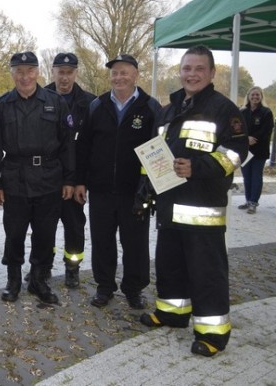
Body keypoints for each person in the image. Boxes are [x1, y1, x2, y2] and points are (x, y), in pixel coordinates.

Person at [140, 45, 248, 357]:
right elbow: (155, 150)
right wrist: (146, 183)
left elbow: (236, 153)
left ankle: (213, 334)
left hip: (203, 212)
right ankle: (173, 313)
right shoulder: (170, 108)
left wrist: (197, 168)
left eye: (199, 68)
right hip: (169, 207)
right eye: (187, 68)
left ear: (212, 73)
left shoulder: (224, 110)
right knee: (169, 265)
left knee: (207, 274)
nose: (192, 74)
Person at [74, 54, 161, 310]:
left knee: (135, 243)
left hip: (136, 192)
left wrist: (151, 188)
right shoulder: (97, 106)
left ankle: (134, 289)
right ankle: (104, 287)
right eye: (115, 73)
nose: (119, 77)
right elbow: (83, 147)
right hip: (101, 189)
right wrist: (80, 181)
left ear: (136, 74)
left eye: (124, 72)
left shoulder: (151, 107)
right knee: (102, 241)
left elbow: (160, 149)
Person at [0, 51, 75, 304]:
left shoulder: (55, 102)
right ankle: (13, 279)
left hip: (49, 178)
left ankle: (39, 280)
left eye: (30, 71)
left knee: (45, 234)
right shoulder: (2, 105)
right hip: (15, 178)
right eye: (19, 71)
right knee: (14, 233)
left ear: (38, 72)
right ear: (12, 74)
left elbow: (68, 144)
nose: (25, 76)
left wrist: (69, 180)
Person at [43, 52, 96, 288]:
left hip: (75, 178)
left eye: (69, 72)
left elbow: (90, 148)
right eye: (60, 72)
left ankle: (72, 267)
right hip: (46, 177)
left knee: (74, 225)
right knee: (44, 225)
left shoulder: (90, 103)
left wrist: (81, 181)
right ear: (52, 72)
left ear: (76, 73)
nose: (64, 78)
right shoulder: (39, 97)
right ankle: (42, 266)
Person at [238, 86, 273, 214]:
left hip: (259, 150)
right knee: (246, 176)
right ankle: (248, 201)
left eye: (257, 95)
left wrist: (254, 138)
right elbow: (237, 129)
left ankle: (253, 202)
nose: (255, 97)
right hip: (245, 149)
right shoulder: (242, 112)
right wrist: (246, 138)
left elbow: (266, 130)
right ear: (248, 96)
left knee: (256, 176)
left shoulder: (266, 112)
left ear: (261, 96)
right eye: (252, 95)